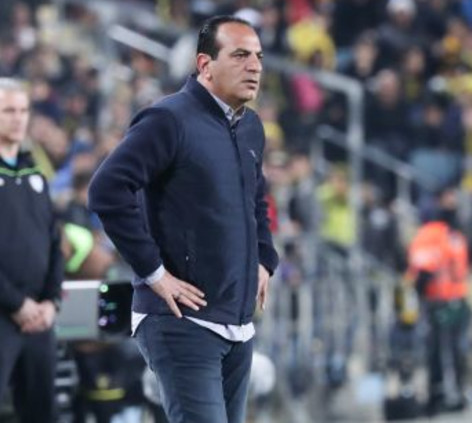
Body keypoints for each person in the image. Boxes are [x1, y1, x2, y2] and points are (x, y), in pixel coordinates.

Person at [88, 15, 279, 423]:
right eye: (240, 55)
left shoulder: (251, 127)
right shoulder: (168, 119)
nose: (254, 67)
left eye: (259, 57)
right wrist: (154, 273)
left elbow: (255, 197)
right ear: (205, 65)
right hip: (180, 321)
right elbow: (106, 189)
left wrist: (264, 257)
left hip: (237, 323)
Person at [0, 77, 63, 422]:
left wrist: (50, 301)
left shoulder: (35, 172)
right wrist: (16, 304)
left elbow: (54, 241)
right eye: (8, 111)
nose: (18, 118)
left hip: (40, 317)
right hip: (6, 314)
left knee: (42, 412)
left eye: (23, 111)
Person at [406, 188, 471, 416]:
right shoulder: (452, 234)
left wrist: (418, 297)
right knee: (453, 349)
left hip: (441, 299)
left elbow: (423, 272)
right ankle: (455, 394)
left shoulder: (432, 234)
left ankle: (441, 396)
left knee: (439, 350)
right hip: (454, 298)